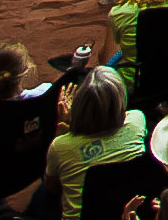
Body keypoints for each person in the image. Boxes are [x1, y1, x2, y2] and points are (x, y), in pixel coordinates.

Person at [44, 70, 149, 220]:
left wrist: (63, 127)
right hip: (124, 213)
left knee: (41, 193)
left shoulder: (60, 145)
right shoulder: (137, 120)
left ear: (79, 105)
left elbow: (51, 188)